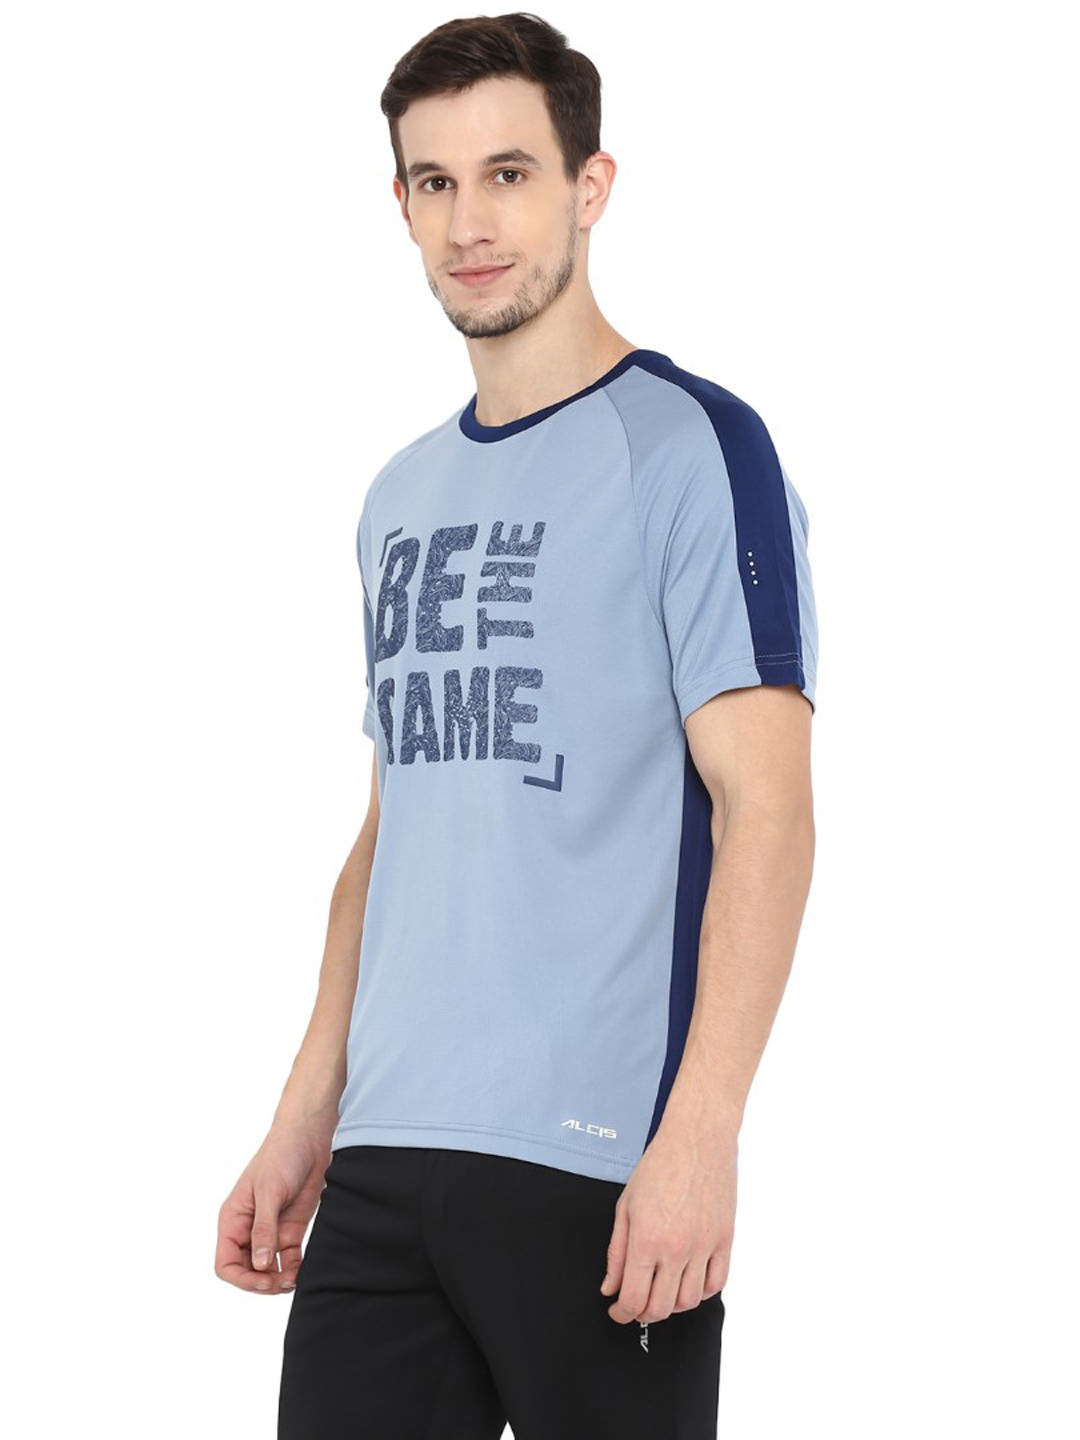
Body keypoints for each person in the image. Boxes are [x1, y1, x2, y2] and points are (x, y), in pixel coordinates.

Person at [214, 13, 819, 1438]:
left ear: (589, 187)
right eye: (434, 182)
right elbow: (394, 833)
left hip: (599, 1164)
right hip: (385, 1165)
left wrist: (702, 1135)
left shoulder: (693, 450)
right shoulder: (399, 498)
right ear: (400, 204)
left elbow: (769, 809)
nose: (469, 224)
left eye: (508, 175)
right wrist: (308, 1113)